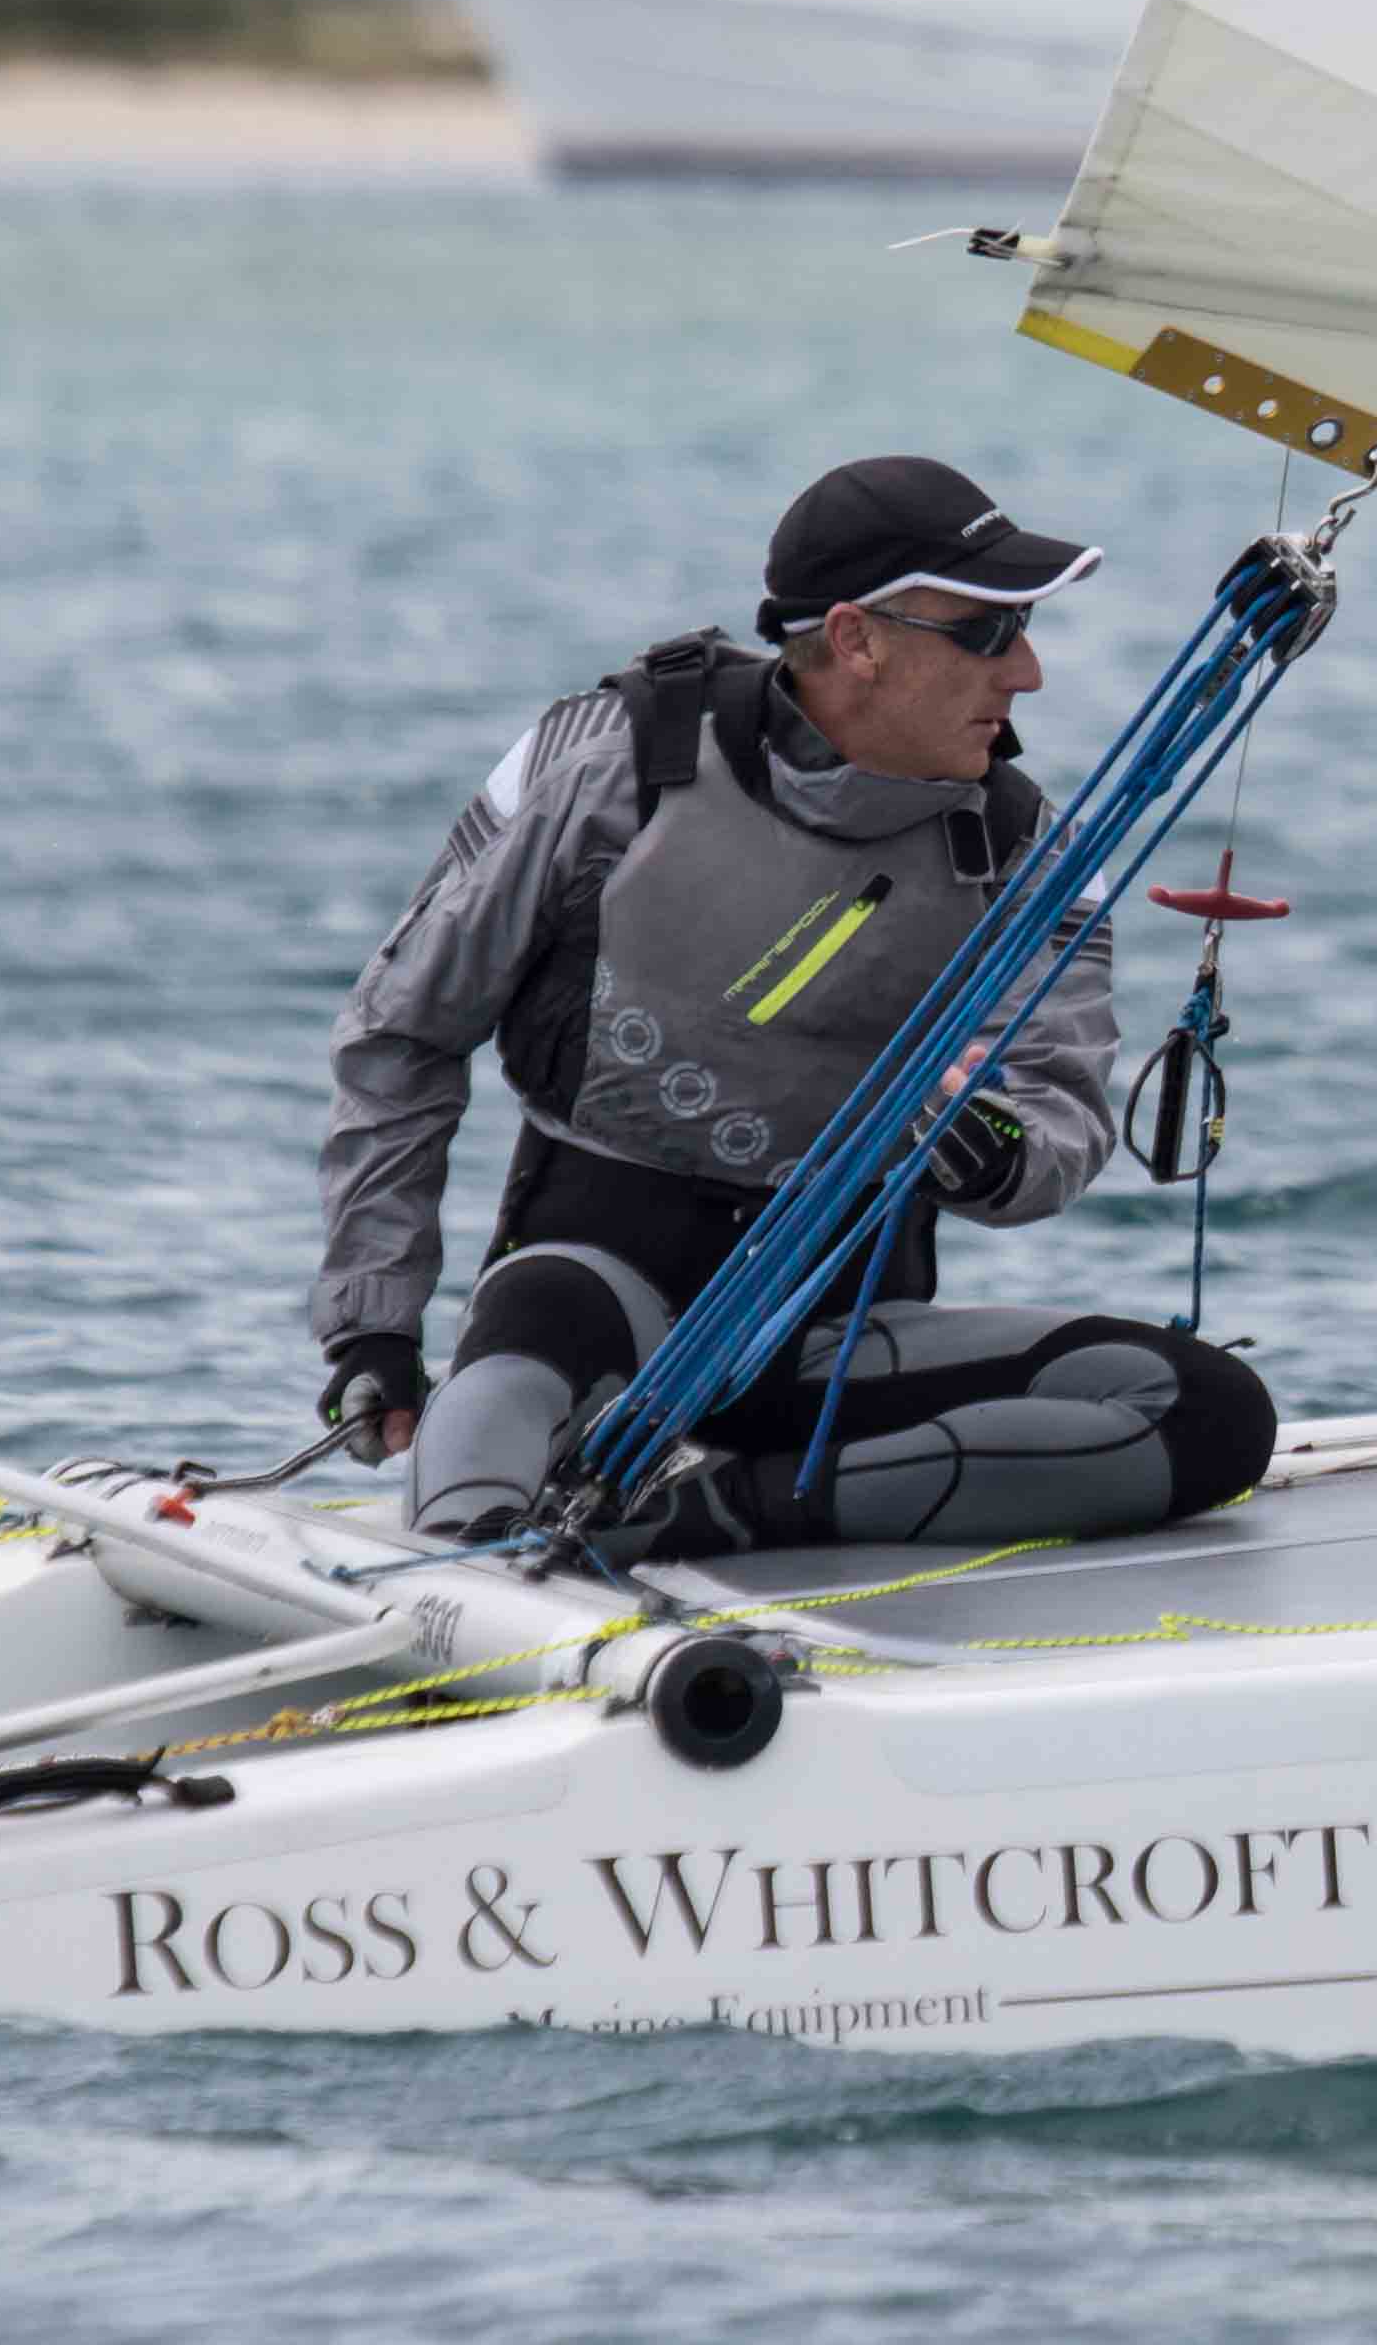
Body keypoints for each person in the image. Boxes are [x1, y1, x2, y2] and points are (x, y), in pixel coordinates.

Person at [310, 454, 1275, 1556]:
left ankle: (698, 1519)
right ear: (858, 638)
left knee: (1213, 1413)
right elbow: (403, 1036)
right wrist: (373, 1326)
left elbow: (1058, 1126)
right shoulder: (606, 761)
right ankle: (479, 1550)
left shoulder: (1025, 854)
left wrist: (988, 1144)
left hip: (841, 1334)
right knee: (533, 1344)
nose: (1030, 675)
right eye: (988, 634)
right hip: (587, 1299)